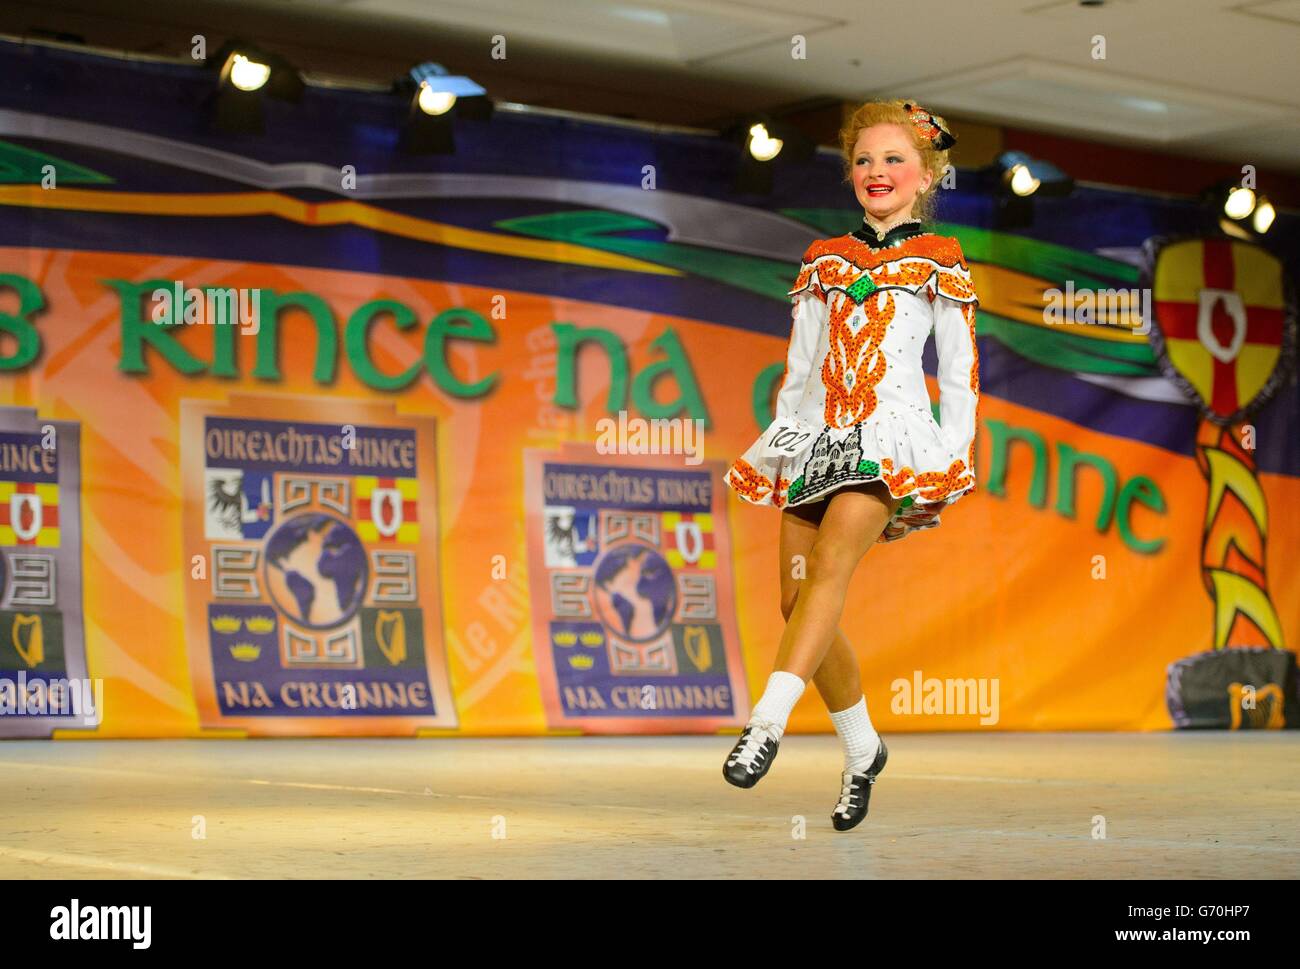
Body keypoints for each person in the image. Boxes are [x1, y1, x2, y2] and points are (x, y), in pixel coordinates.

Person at [721, 99, 981, 831]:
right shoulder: (824, 259)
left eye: (895, 159)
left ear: (927, 174)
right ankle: (862, 748)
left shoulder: (943, 260)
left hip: (890, 438)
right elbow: (802, 368)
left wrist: (947, 465)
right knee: (794, 598)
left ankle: (766, 723)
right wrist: (784, 443)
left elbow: (959, 375)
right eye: (864, 159)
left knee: (831, 567)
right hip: (820, 436)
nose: (877, 171)